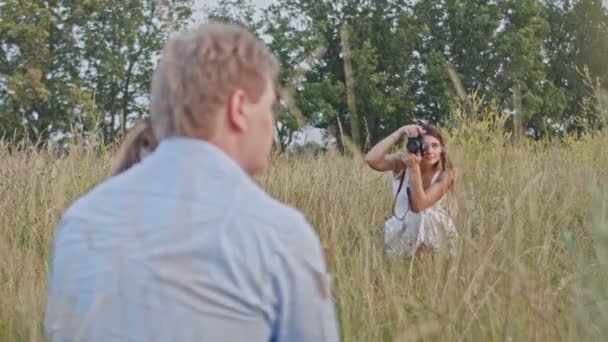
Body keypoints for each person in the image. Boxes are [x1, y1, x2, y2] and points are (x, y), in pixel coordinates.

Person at [45, 23, 339, 342]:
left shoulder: (80, 220)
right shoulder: (280, 234)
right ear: (238, 109)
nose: (271, 124)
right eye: (269, 107)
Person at [365, 124, 457, 257]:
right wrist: (399, 132)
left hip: (435, 232)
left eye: (435, 145)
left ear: (442, 148)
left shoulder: (445, 174)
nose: (429, 151)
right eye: (424, 145)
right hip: (403, 229)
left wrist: (414, 168)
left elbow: (419, 206)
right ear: (415, 146)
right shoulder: (402, 163)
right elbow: (371, 159)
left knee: (423, 218)